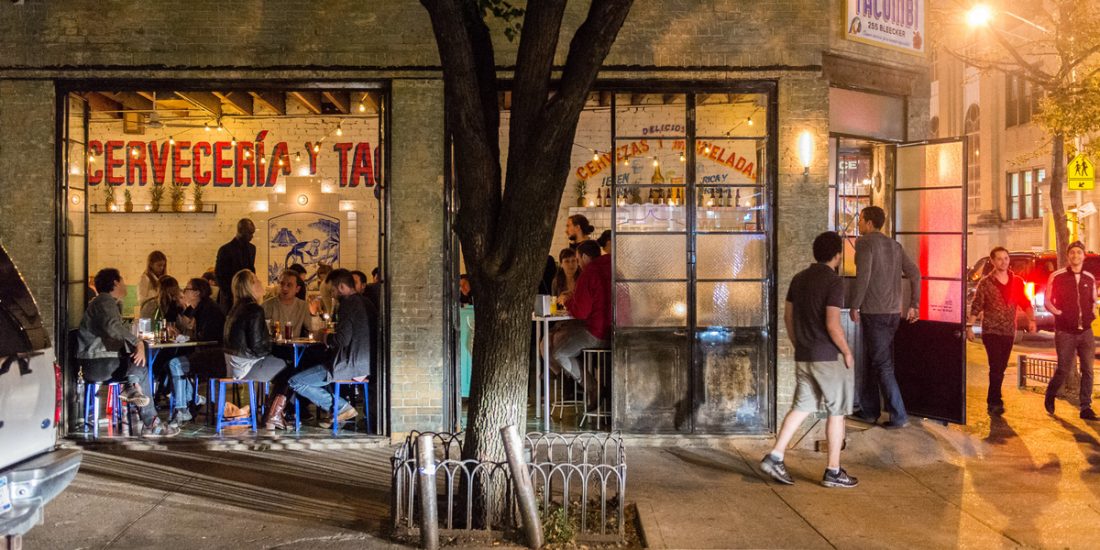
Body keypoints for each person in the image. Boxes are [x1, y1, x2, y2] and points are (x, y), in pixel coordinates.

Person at [760, 231, 857, 488]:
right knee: (837, 412)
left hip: (804, 355)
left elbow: (788, 317)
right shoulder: (834, 282)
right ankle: (833, 470)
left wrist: (798, 344)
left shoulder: (799, 279)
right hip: (828, 357)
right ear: (837, 255)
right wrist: (847, 352)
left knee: (801, 407)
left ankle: (776, 456)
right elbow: (833, 324)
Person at [77, 268, 178, 437]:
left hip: (96, 362)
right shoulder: (105, 301)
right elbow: (112, 327)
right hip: (99, 364)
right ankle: (149, 418)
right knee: (142, 361)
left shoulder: (104, 302)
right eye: (122, 280)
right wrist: (137, 342)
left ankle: (132, 387)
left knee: (139, 359)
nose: (125, 284)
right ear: (115, 282)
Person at [848, 206, 921, 429]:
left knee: (881, 364)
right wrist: (914, 304)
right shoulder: (895, 246)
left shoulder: (865, 243)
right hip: (893, 313)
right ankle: (870, 411)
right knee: (874, 361)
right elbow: (915, 273)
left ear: (869, 223)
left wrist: (855, 305)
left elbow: (863, 276)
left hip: (874, 312)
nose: (859, 224)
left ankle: (899, 415)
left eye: (861, 220)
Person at [289, 269, 372, 429]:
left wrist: (324, 337)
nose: (332, 295)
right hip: (366, 363)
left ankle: (342, 408)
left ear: (341, 287)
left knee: (296, 381)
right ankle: (337, 413)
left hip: (350, 364)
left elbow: (342, 339)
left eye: (332, 291)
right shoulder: (366, 302)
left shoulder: (348, 305)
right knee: (317, 364)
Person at [966, 247, 1037, 416]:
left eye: (1006, 258)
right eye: (999, 258)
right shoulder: (986, 283)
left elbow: (1025, 302)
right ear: (992, 261)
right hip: (991, 330)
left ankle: (994, 398)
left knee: (1001, 366)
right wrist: (969, 327)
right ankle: (994, 401)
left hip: (1008, 331)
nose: (1003, 261)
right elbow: (976, 306)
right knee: (996, 366)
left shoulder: (1017, 282)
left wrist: (1032, 320)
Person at [223, 269, 292, 430]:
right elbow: (258, 347)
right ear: (251, 285)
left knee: (283, 363)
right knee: (292, 366)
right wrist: (272, 344)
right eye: (257, 280)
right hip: (248, 366)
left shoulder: (235, 308)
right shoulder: (254, 309)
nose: (261, 283)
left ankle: (270, 410)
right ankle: (273, 414)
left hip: (233, 365)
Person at [1043, 241, 1098, 420]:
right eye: (1072, 252)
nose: (1076, 255)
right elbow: (1047, 300)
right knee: (1063, 369)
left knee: (1088, 370)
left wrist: (1092, 314)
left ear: (1084, 256)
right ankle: (1050, 394)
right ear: (1068, 256)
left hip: (1086, 331)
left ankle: (1085, 407)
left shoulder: (1089, 278)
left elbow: (1094, 300)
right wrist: (1060, 314)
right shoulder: (1057, 276)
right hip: (1065, 331)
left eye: (1079, 252)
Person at [554, 241, 611, 406]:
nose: (578, 264)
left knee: (559, 352)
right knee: (561, 337)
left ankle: (592, 387)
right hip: (616, 330)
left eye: (577, 259)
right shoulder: (613, 266)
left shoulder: (589, 273)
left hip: (597, 332)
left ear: (585, 257)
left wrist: (567, 301)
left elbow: (581, 312)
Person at [166, 278, 226, 426]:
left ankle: (183, 409)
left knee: (175, 364)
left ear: (196, 293)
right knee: (175, 361)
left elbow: (207, 337)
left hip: (215, 356)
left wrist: (185, 337)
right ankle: (193, 399)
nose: (184, 292)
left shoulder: (209, 309)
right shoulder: (199, 306)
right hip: (209, 352)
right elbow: (181, 322)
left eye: (187, 289)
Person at [215, 218, 257, 312]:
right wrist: (230, 293)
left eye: (253, 233)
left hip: (247, 294)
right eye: (249, 233)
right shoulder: (225, 250)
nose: (252, 236)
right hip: (229, 296)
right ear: (240, 231)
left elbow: (251, 270)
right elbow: (219, 275)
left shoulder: (252, 249)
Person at [262, 269, 313, 339]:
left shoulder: (303, 306)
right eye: (282, 284)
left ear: (297, 289)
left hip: (294, 344)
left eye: (289, 285)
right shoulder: (266, 305)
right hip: (273, 344)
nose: (284, 288)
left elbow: (310, 329)